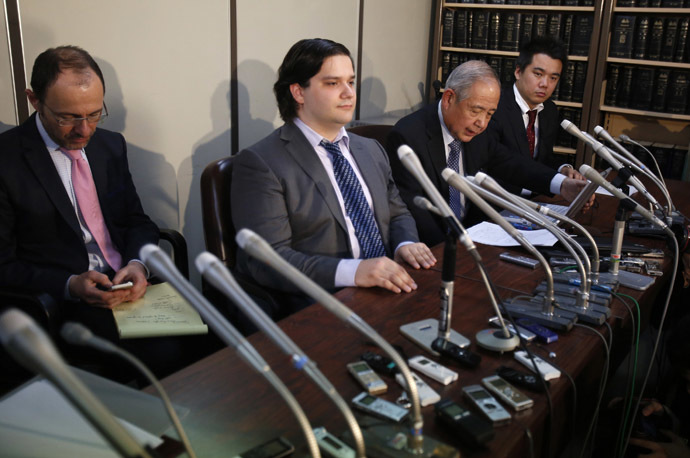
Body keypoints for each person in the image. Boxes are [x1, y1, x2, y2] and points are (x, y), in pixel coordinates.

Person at [0, 46, 211, 380]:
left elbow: (136, 221)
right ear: (34, 100)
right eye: (67, 117)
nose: (84, 130)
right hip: (62, 303)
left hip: (128, 287)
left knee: (217, 332)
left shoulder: (109, 146)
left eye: (95, 114)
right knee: (166, 355)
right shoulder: (7, 160)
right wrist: (71, 284)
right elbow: (4, 265)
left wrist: (137, 265)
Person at [231, 38, 436, 318]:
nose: (349, 93)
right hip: (322, 302)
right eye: (332, 83)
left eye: (351, 82)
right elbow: (267, 259)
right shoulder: (261, 162)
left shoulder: (370, 149)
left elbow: (397, 212)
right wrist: (353, 272)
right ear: (298, 93)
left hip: (391, 285)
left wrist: (404, 244)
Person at [386, 60, 591, 246]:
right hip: (438, 246)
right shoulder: (409, 136)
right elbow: (415, 211)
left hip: (478, 235)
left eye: (490, 113)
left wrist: (561, 184)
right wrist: (458, 248)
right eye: (475, 111)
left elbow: (511, 163)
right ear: (449, 98)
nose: (482, 123)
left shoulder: (478, 132)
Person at [488, 36, 582, 195]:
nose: (545, 84)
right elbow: (496, 165)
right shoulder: (494, 107)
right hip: (499, 202)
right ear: (518, 71)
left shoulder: (549, 110)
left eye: (553, 78)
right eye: (538, 74)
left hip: (537, 200)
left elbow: (542, 160)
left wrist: (563, 170)